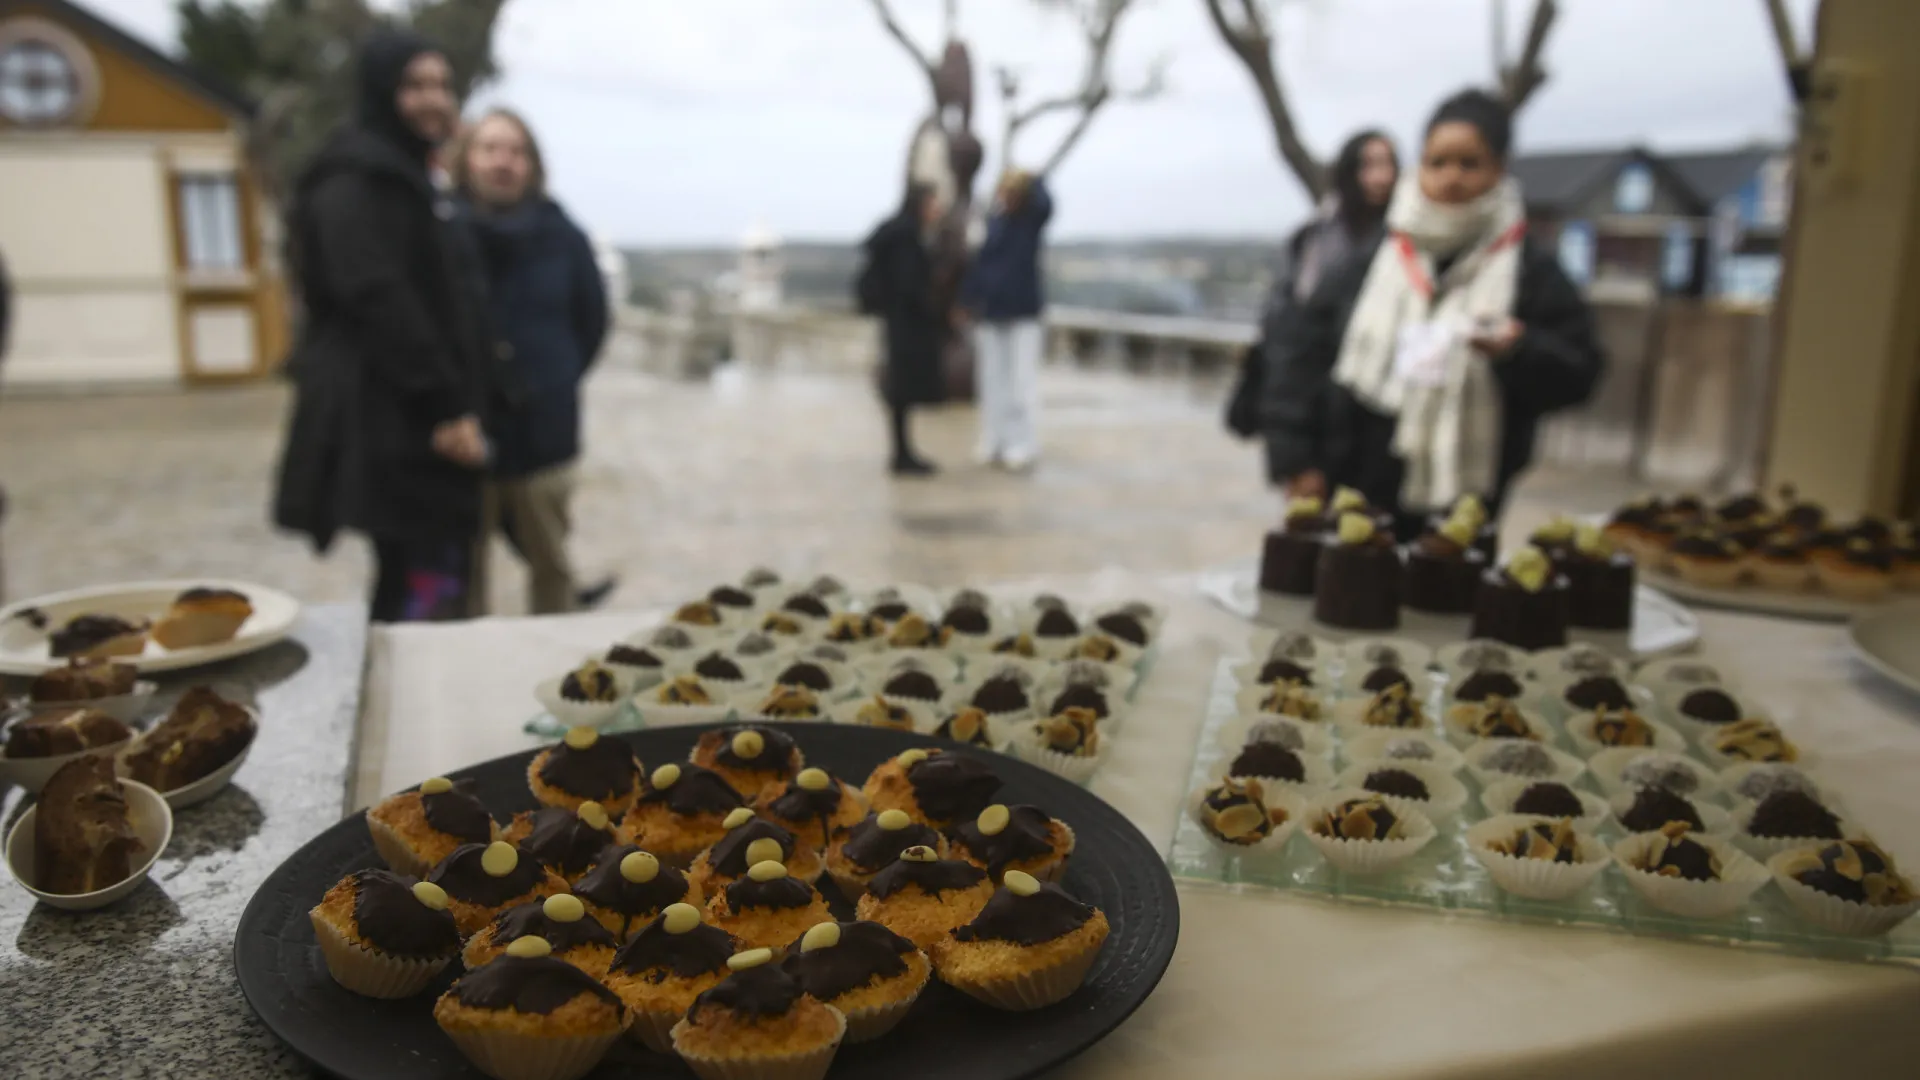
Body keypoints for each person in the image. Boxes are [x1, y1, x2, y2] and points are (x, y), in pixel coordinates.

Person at [1263, 89, 1604, 539]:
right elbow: (1299, 353)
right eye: (1437, 162)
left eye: (1469, 164)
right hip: (1359, 477)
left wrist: (1519, 350)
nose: (1451, 179)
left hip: (1466, 499)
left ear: (1499, 169)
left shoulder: (1530, 271)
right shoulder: (1374, 256)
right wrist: (1296, 459)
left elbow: (1580, 371)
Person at [272, 31, 493, 622]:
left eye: (443, 86)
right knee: (423, 592)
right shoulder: (356, 178)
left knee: (427, 577)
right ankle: (427, 707)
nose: (434, 99)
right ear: (382, 92)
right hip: (397, 421)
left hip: (414, 419)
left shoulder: (405, 174)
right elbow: (376, 296)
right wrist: (445, 405)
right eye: (416, 86)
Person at [450, 108, 613, 615]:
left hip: (544, 437)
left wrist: (553, 376)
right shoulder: (441, 230)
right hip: (463, 438)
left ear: (533, 165)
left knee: (552, 566)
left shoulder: (564, 237)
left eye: (516, 151)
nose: (504, 162)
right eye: (491, 148)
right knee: (460, 577)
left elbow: (592, 322)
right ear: (467, 159)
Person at [1229, 130, 1398, 445]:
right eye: (1369, 165)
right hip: (1319, 419)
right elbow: (1288, 339)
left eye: (1389, 165)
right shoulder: (1315, 241)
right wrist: (1291, 448)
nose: (1382, 177)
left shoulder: (1409, 244)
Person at [958, 169, 1053, 471]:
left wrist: (1033, 179)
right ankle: (994, 439)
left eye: (1013, 192)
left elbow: (1045, 205)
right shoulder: (994, 224)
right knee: (991, 380)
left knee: (1020, 383)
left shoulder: (1029, 222)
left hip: (1023, 314)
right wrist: (966, 299)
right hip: (993, 312)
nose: (1006, 197)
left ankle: (1022, 443)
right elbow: (981, 265)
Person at [857, 182, 946, 476]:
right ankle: (902, 455)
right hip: (906, 325)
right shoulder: (907, 237)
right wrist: (932, 312)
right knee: (902, 390)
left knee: (901, 392)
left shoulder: (899, 233)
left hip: (898, 321)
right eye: (934, 203)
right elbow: (909, 285)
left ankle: (903, 452)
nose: (938, 210)